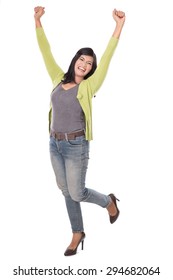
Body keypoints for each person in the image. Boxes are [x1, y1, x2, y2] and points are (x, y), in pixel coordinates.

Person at [34, 6, 125, 256]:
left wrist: (118, 26)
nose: (85, 65)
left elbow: (107, 57)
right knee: (65, 190)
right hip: (54, 143)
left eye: (89, 63)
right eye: (82, 60)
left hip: (76, 146)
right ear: (75, 60)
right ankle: (77, 232)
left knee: (77, 191)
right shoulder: (58, 79)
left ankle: (109, 202)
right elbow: (45, 51)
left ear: (91, 69)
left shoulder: (89, 86)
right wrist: (37, 21)